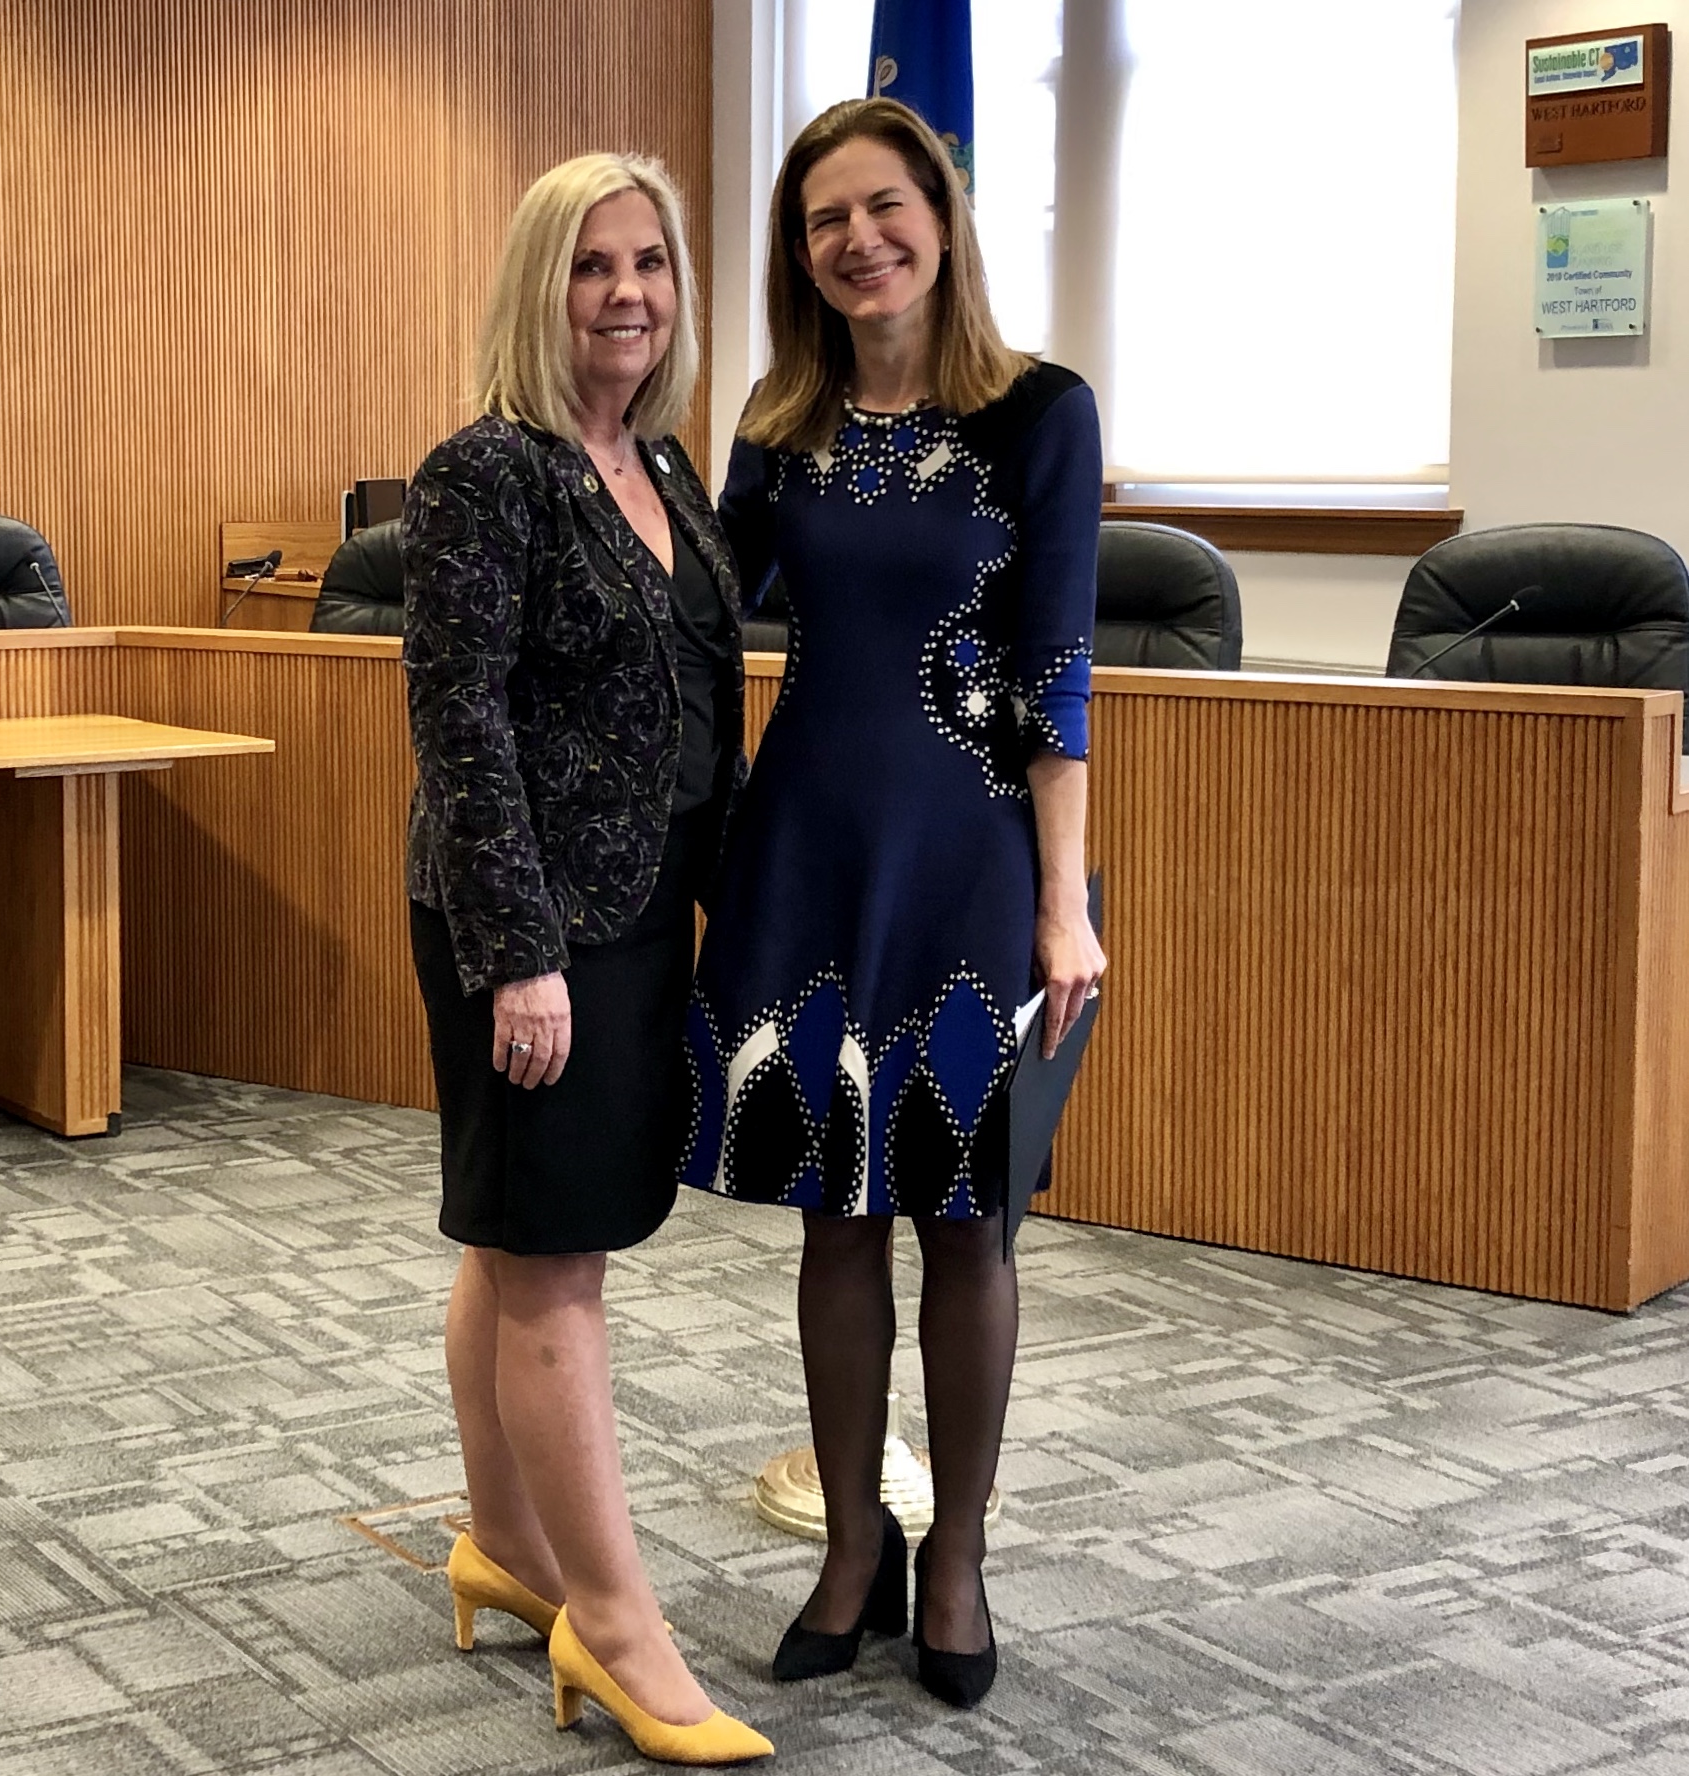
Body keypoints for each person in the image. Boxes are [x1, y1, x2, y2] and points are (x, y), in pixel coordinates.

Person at [682, 98, 1106, 1710]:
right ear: (798, 255)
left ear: (941, 209)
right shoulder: (778, 424)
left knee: (964, 1220)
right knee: (832, 1215)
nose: (857, 239)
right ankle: (850, 1547)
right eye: (820, 220)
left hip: (970, 856)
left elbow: (1059, 668)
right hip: (806, 851)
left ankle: (957, 1557)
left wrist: (1062, 906)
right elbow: (700, 622)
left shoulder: (1036, 413)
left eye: (883, 205)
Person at [402, 152, 771, 1766]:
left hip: (641, 911)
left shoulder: (665, 464)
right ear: (534, 290)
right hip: (534, 927)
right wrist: (517, 956)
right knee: (557, 1262)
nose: (626, 292)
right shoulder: (490, 470)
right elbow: (459, 718)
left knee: (515, 1235)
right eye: (588, 266)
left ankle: (503, 1540)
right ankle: (615, 1629)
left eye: (651, 264)